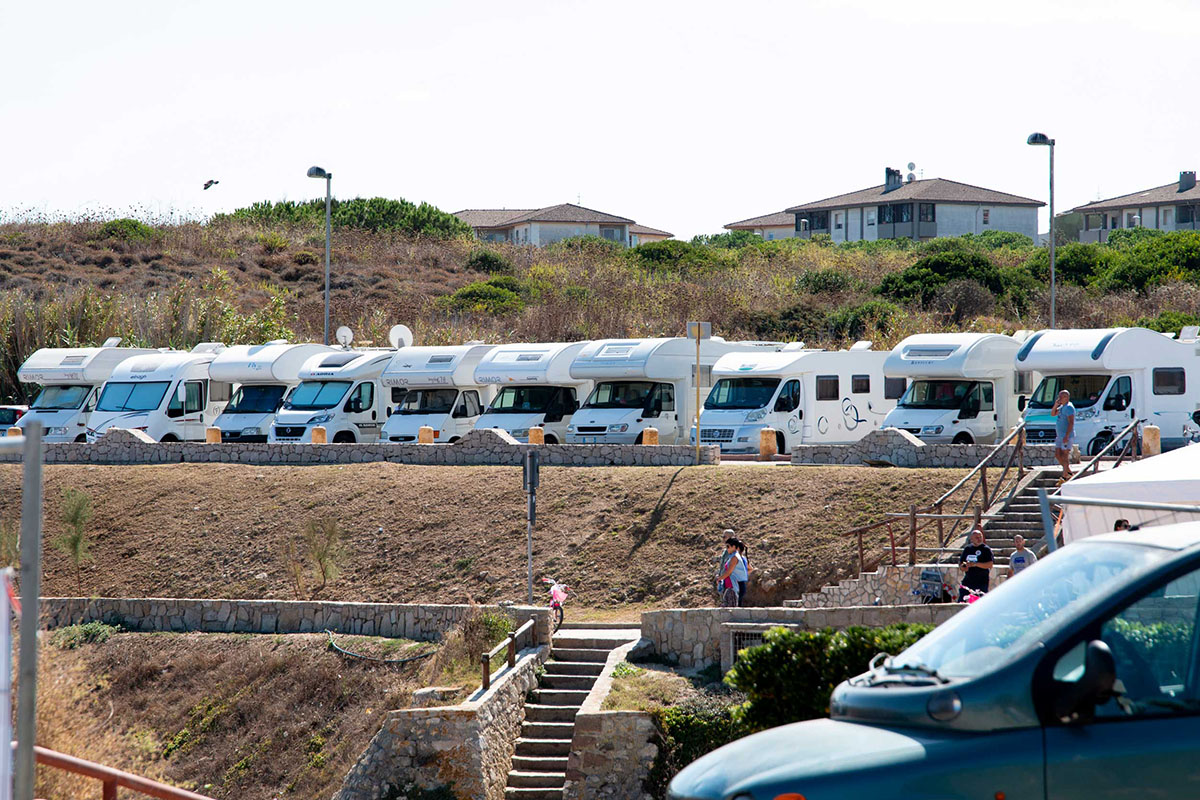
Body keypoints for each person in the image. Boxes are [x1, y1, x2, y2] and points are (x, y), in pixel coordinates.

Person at [958, 528, 994, 602]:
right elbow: (961, 563)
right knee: (962, 602)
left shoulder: (986, 549)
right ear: (971, 539)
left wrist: (976, 564)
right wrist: (964, 567)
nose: (979, 539)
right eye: (976, 537)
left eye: (980, 537)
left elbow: (990, 564)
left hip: (981, 582)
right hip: (968, 581)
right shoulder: (967, 549)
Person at [1051, 389, 1076, 480]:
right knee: (1058, 454)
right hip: (1059, 435)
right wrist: (1056, 405)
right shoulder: (1062, 407)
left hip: (1066, 436)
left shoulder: (1069, 407)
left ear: (1066, 397)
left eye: (1062, 397)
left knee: (1065, 455)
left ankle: (1065, 475)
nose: (1060, 398)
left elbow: (1071, 422)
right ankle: (1068, 471)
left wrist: (1066, 435)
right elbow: (1053, 413)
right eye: (1059, 396)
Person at [716, 533, 744, 607]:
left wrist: (720, 578)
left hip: (733, 586)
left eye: (728, 546)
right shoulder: (731, 556)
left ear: (733, 547)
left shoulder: (735, 557)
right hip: (729, 586)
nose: (727, 548)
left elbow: (729, 571)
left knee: (731, 609)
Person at [731, 539, 751, 605]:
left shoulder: (736, 558)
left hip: (735, 582)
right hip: (742, 583)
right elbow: (750, 569)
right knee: (739, 601)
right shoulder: (744, 558)